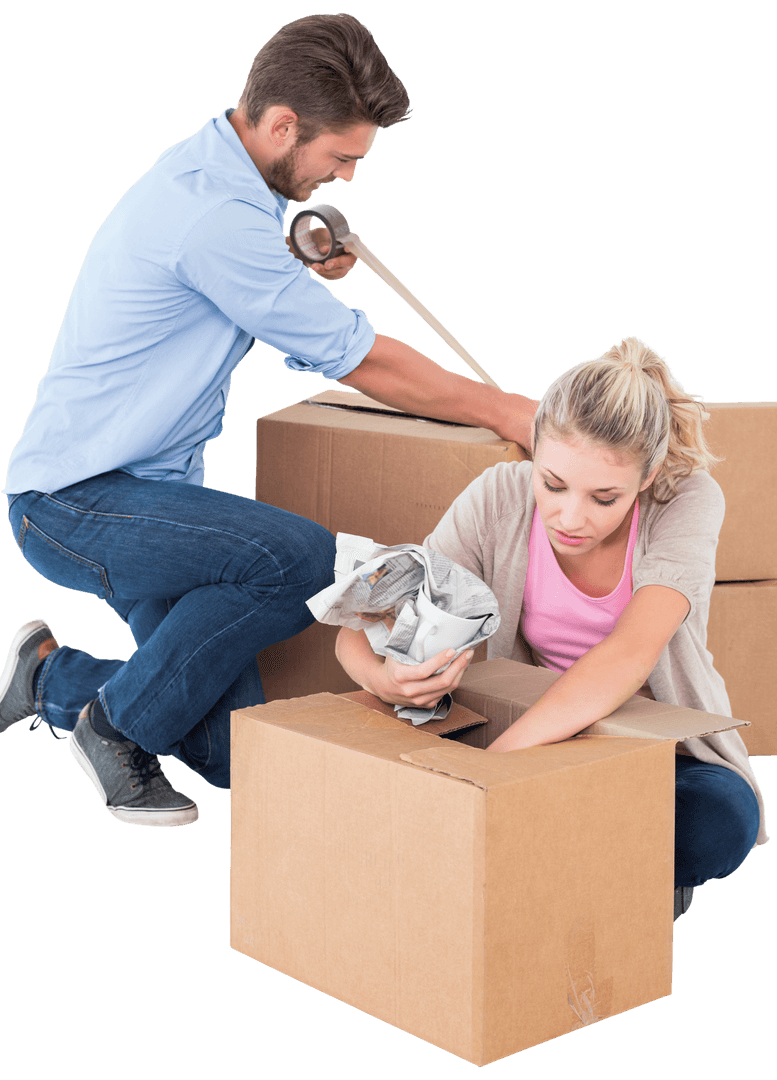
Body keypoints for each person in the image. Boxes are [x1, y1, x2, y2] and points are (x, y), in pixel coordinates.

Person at [0, 14, 537, 827]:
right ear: (283, 124)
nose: (348, 177)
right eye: (342, 157)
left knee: (242, 753)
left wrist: (290, 262)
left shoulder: (220, 185)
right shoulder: (213, 214)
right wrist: (506, 410)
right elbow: (359, 360)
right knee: (300, 563)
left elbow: (219, 279)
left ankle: (49, 678)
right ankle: (113, 730)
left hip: (152, 498)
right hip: (74, 504)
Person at [335, 336, 768, 895]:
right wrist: (385, 678)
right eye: (553, 483)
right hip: (534, 738)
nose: (570, 517)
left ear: (650, 473)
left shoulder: (686, 501)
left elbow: (629, 654)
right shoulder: (498, 495)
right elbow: (368, 623)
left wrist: (488, 775)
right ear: (534, 448)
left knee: (717, 822)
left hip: (654, 750)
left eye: (604, 498)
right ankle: (568, 861)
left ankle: (536, 860)